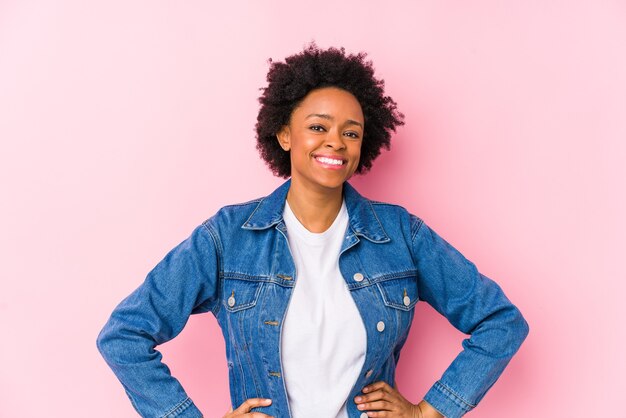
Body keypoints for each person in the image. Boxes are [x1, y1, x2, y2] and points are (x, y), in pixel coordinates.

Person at [97, 44, 529, 418]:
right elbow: (124, 335)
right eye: (318, 127)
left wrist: (432, 410)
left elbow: (501, 321)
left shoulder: (401, 235)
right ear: (284, 134)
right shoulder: (228, 237)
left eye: (351, 132)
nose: (336, 142)